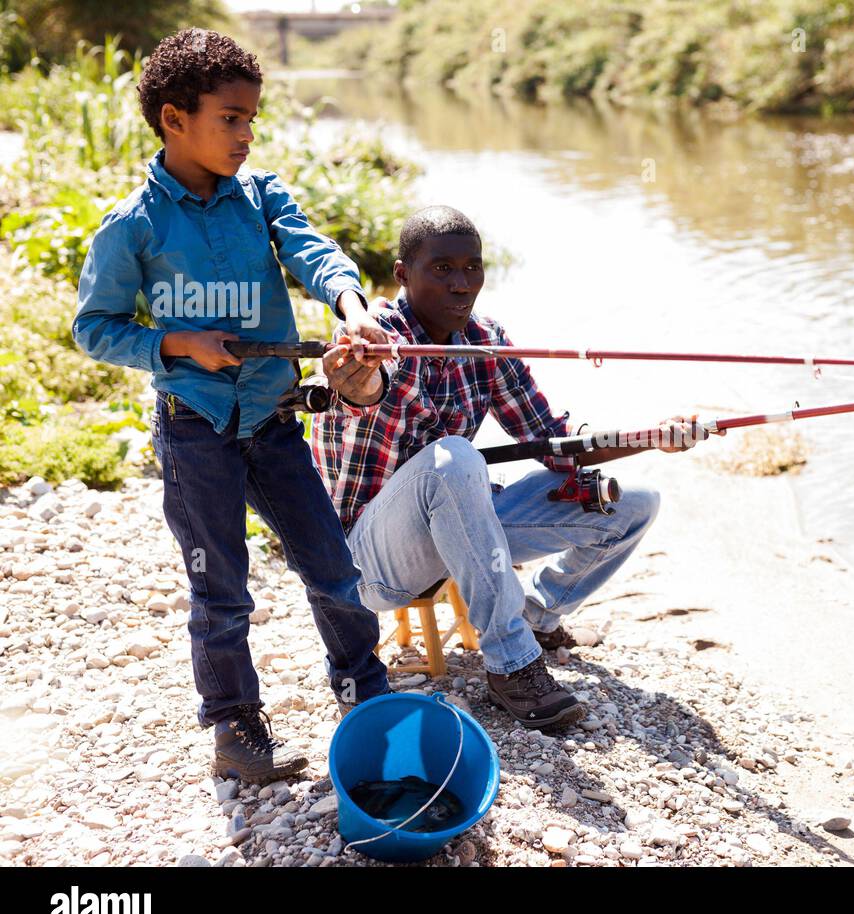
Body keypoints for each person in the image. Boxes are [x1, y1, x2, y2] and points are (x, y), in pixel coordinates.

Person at [72, 28, 392, 785]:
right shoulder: (133, 226)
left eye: (252, 118)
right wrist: (177, 345)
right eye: (230, 118)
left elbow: (314, 252)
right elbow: (95, 328)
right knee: (221, 592)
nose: (246, 135)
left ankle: (363, 688)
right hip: (195, 435)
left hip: (277, 423)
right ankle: (234, 727)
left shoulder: (262, 197)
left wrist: (350, 305)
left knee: (334, 569)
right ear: (173, 120)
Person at [310, 205, 719, 730]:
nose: (461, 284)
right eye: (441, 269)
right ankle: (511, 664)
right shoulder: (380, 338)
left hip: (458, 524)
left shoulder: (487, 340)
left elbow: (555, 444)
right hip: (368, 562)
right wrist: (353, 382)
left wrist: (652, 437)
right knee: (455, 458)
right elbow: (369, 388)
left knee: (634, 501)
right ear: (403, 274)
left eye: (471, 267)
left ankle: (536, 616)